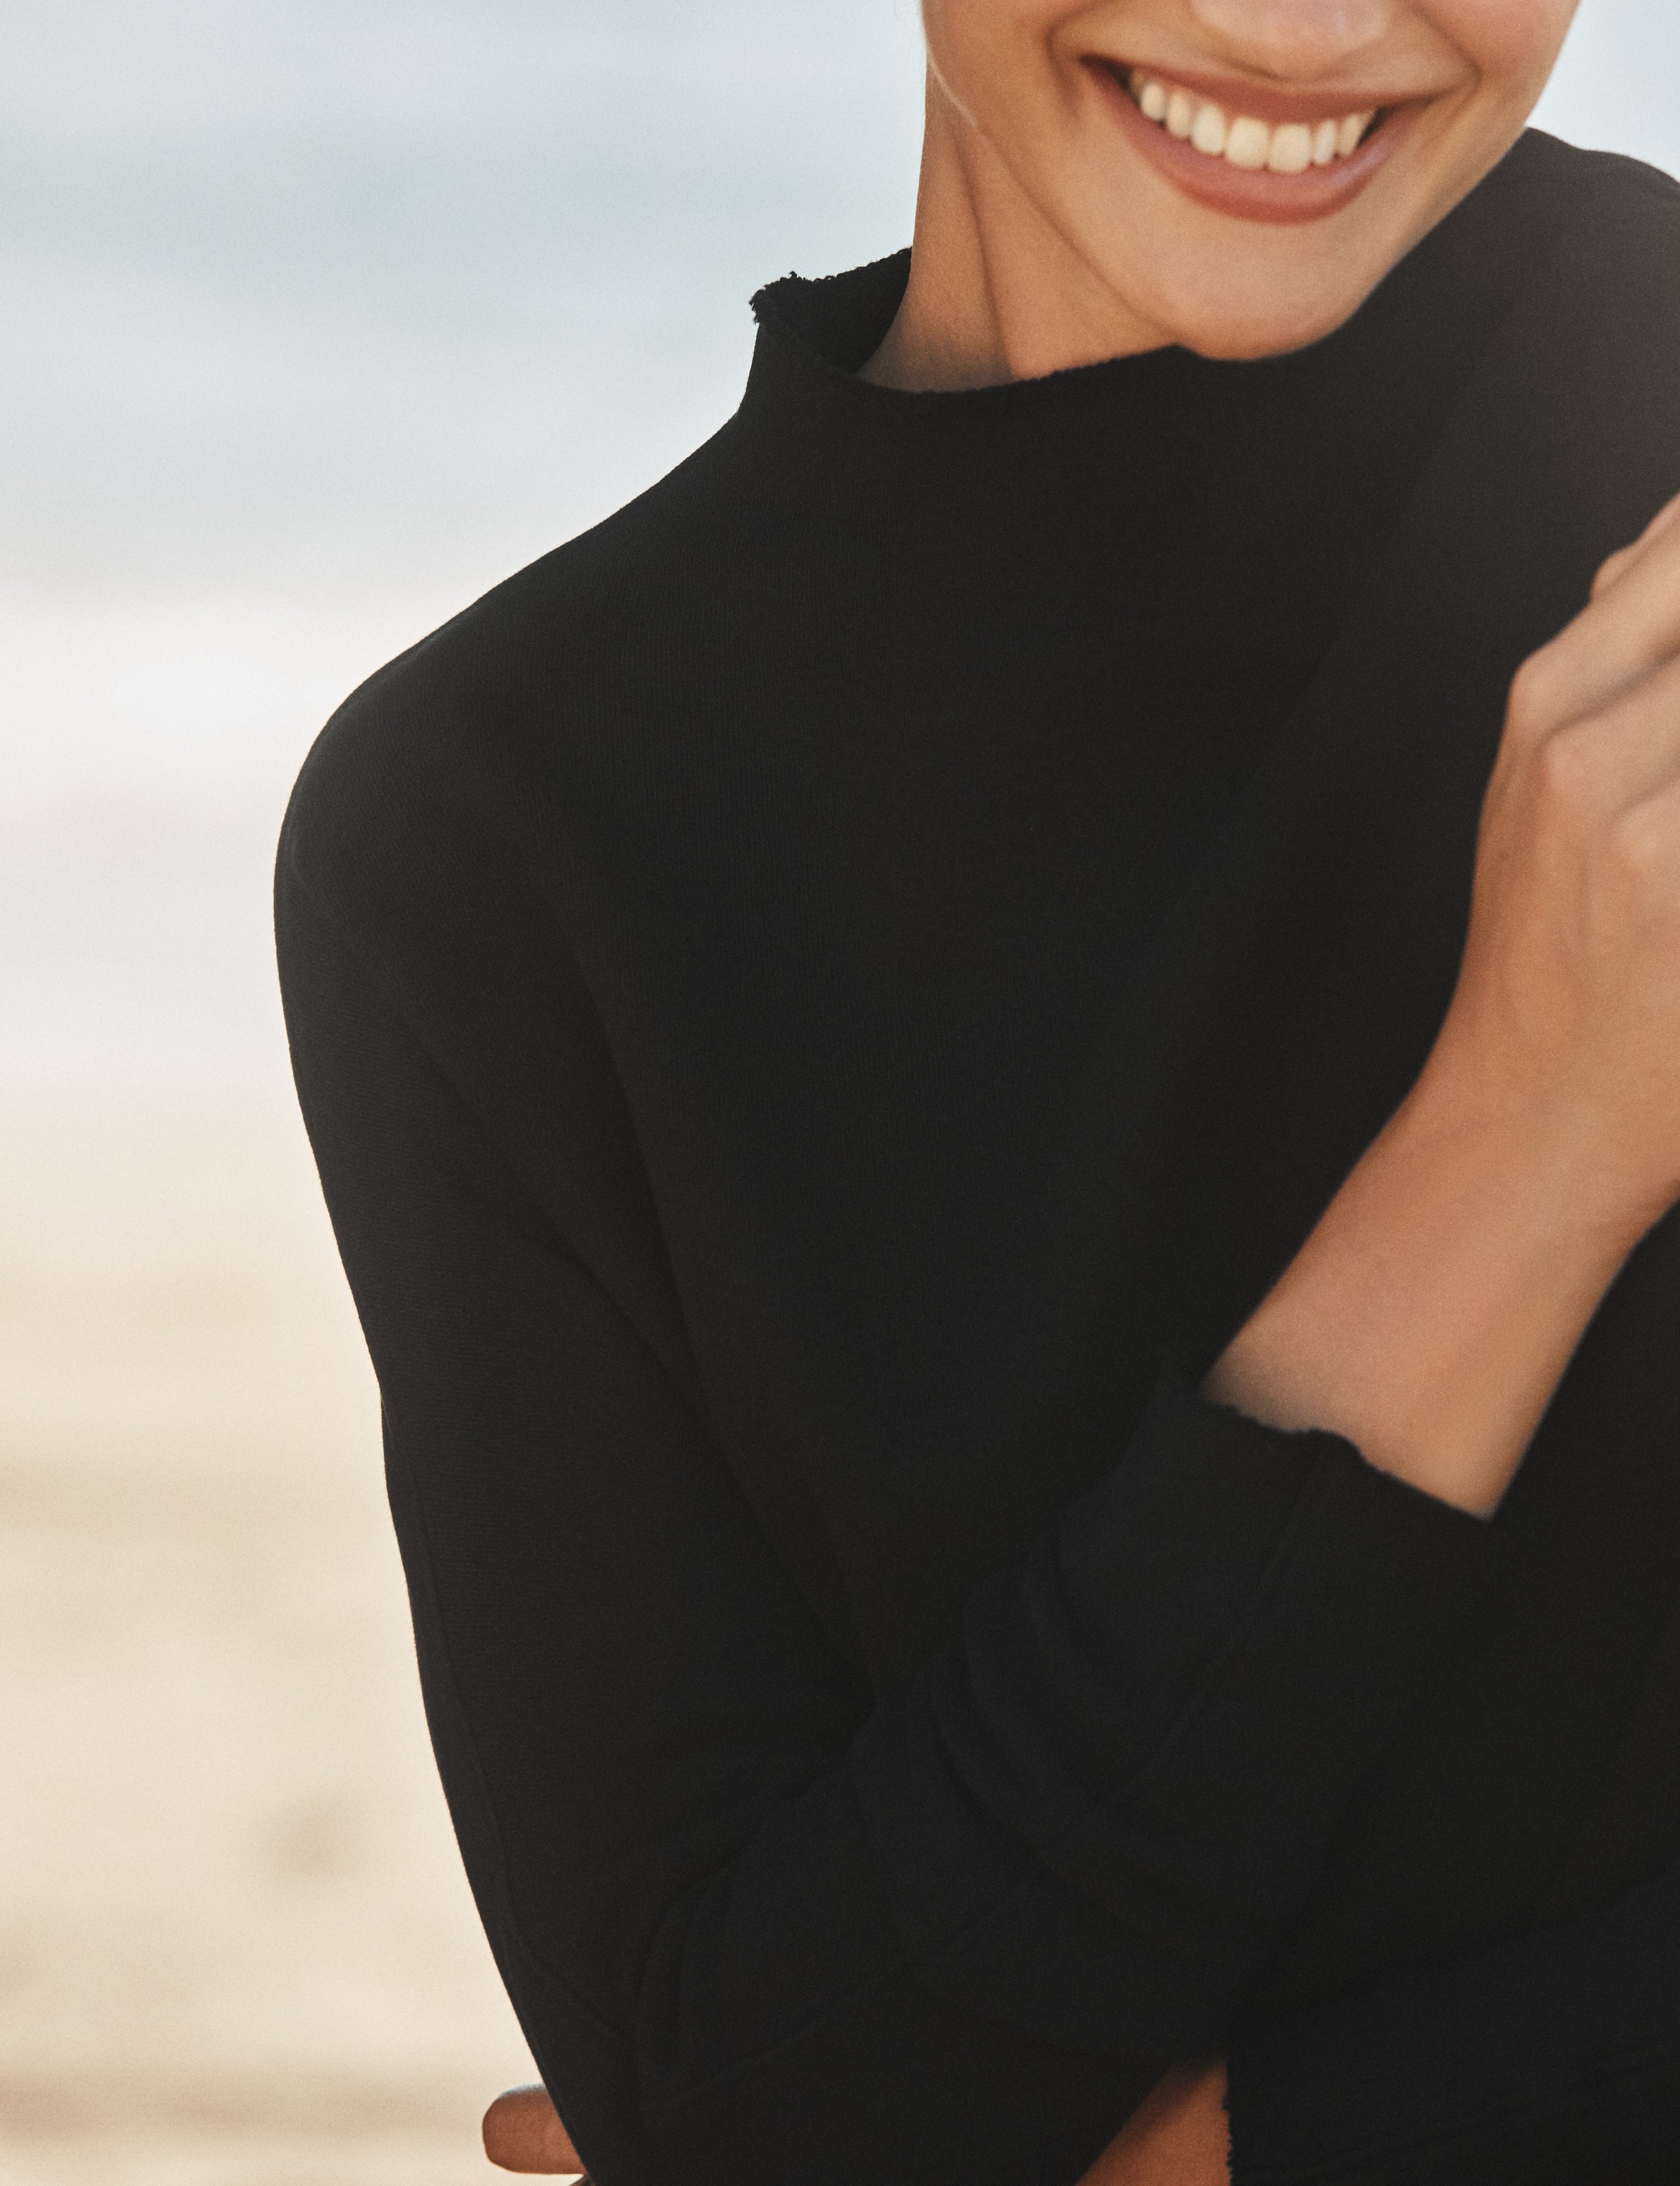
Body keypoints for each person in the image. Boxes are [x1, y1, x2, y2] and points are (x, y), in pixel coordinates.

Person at [276, 0, 1680, 2178]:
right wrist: (1523, 1146)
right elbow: (776, 2107)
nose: (1299, 26)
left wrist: (1244, 2149)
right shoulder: (496, 844)